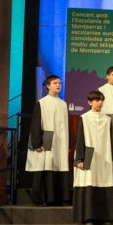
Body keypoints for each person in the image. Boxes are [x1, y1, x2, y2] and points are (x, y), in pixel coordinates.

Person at [73, 90, 113, 225]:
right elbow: (79, 139)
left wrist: (112, 158)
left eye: (101, 100)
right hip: (89, 156)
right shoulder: (84, 118)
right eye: (97, 100)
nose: (100, 103)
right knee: (89, 181)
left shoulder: (108, 119)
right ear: (89, 102)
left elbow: (111, 139)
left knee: (103, 181)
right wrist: (79, 159)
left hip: (104, 157)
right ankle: (88, 217)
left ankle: (104, 217)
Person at [26, 75, 69, 206]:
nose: (58, 85)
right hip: (46, 142)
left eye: (59, 83)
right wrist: (37, 143)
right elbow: (36, 123)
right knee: (44, 168)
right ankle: (42, 199)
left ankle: (59, 198)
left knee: (58, 168)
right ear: (48, 86)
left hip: (59, 142)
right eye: (55, 83)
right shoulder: (42, 103)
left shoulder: (63, 103)